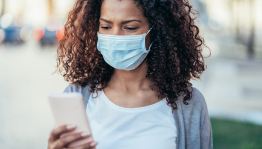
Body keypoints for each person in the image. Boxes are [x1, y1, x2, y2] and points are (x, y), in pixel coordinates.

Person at [47, 0, 213, 148]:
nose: (115, 36)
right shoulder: (77, 97)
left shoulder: (189, 104)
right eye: (105, 26)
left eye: (130, 27)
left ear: (158, 29)